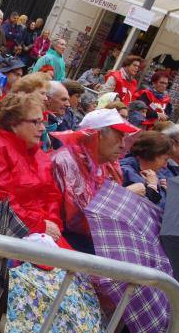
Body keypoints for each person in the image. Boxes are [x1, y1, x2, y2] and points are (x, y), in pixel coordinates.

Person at [0, 93, 64, 242]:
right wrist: (41, 226)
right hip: (13, 233)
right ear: (14, 124)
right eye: (36, 122)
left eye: (42, 122)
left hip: (45, 232)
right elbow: (3, 201)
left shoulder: (38, 153)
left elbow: (51, 195)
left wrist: (53, 223)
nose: (42, 129)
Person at [51, 108, 138, 253]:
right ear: (97, 136)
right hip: (64, 243)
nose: (123, 145)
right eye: (119, 137)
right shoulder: (66, 161)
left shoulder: (101, 165)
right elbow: (80, 220)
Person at [120, 131, 173, 205]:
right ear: (153, 154)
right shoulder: (126, 171)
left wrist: (165, 191)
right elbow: (146, 208)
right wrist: (153, 187)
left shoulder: (157, 174)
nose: (165, 165)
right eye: (165, 159)